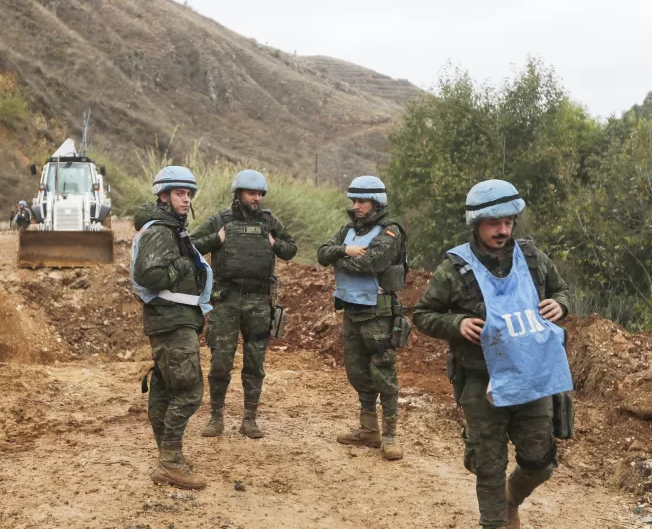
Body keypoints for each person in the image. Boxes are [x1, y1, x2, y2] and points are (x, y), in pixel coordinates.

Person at [412, 179, 573, 529]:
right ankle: (494, 522)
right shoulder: (455, 268)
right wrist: (457, 323)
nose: (503, 230)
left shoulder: (531, 259)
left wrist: (559, 304)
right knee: (488, 465)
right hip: (481, 380)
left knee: (540, 462)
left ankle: (510, 499)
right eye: (494, 223)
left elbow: (561, 290)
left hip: (533, 377)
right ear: (477, 224)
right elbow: (422, 314)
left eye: (509, 222)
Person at [191, 170, 297, 439]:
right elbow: (191, 245)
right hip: (227, 300)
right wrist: (216, 240)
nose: (257, 198)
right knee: (220, 363)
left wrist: (274, 243)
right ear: (238, 194)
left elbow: (291, 249)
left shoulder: (269, 220)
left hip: (259, 301)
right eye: (252, 193)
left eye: (260, 194)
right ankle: (216, 417)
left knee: (255, 362)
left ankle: (250, 419)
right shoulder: (221, 220)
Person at [130, 166, 213, 490]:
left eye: (188, 194)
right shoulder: (161, 231)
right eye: (180, 193)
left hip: (173, 320)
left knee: (165, 388)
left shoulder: (169, 228)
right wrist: (180, 266)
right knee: (190, 391)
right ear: (164, 196)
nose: (186, 198)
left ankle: (168, 456)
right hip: (172, 322)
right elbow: (148, 274)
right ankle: (169, 462)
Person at [316, 176, 408, 461]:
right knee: (357, 372)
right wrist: (344, 250)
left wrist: (339, 259)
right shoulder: (348, 231)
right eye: (354, 201)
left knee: (383, 372)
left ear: (376, 203)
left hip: (377, 313)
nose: (356, 206)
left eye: (362, 202)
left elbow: (372, 263)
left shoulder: (391, 232)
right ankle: (369, 429)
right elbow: (321, 254)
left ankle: (390, 436)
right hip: (352, 311)